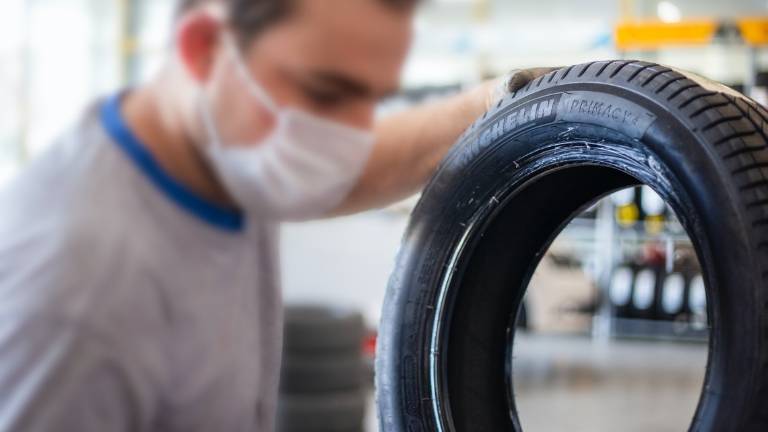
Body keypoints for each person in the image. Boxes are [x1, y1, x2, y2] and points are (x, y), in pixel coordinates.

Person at [0, 0, 555, 430]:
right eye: (326, 93)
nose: (351, 131)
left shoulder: (228, 156)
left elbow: (374, 160)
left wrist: (498, 101)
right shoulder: (76, 293)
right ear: (204, 49)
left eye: (370, 97)